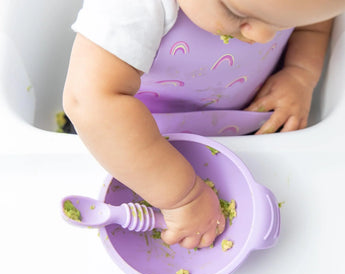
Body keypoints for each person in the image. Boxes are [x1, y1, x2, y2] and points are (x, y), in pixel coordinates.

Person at [63, 0, 345, 249]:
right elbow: (89, 102)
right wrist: (182, 197)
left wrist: (300, 73)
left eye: (287, 23)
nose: (263, 36)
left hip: (238, 117)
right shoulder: (130, 6)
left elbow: (318, 19)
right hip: (133, 139)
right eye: (235, 12)